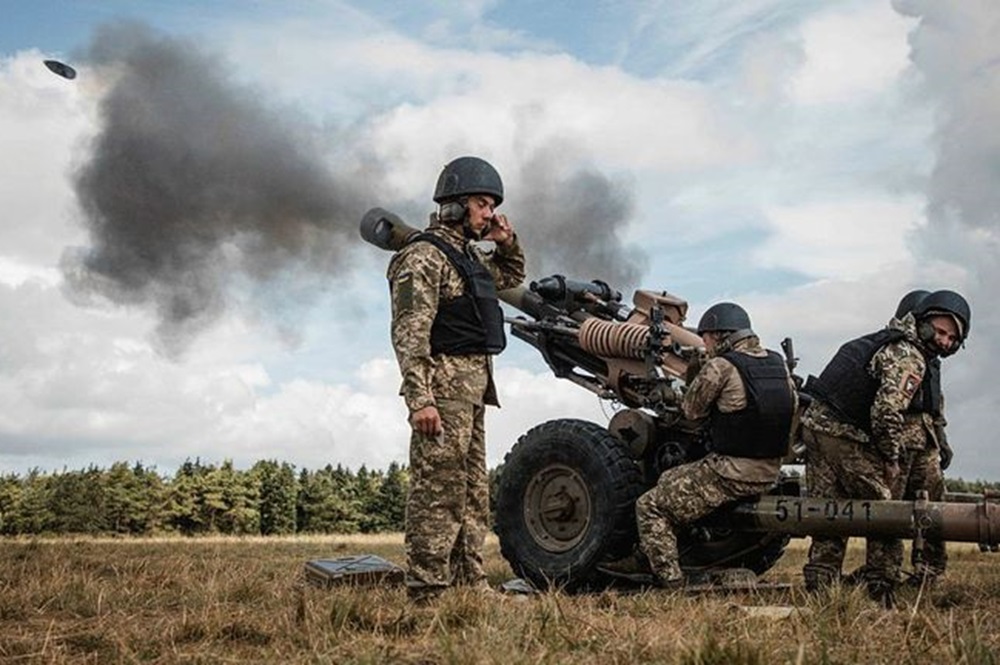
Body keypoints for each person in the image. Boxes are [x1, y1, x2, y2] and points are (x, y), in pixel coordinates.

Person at [386, 156, 526, 603]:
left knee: (470, 494)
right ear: (454, 205)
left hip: (472, 392)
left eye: (491, 206)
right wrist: (419, 399)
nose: (490, 214)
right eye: (482, 204)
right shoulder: (423, 256)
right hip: (442, 392)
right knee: (437, 492)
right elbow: (410, 332)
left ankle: (470, 583)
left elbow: (511, 276)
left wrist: (506, 242)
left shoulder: (467, 258)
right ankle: (427, 590)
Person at [599, 303, 797, 587]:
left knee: (651, 505)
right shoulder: (778, 365)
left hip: (731, 473)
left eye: (705, 338)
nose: (703, 344)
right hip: (769, 472)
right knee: (670, 479)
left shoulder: (721, 366)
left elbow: (691, 412)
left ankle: (670, 580)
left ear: (719, 335)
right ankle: (674, 552)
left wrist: (675, 391)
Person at [801, 289, 970, 604]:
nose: (945, 342)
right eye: (941, 331)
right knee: (884, 508)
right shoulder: (908, 355)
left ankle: (821, 582)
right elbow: (886, 412)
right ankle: (881, 583)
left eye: (952, 338)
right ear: (922, 322)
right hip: (844, 435)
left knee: (829, 507)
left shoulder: (884, 341)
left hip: (817, 428)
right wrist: (891, 457)